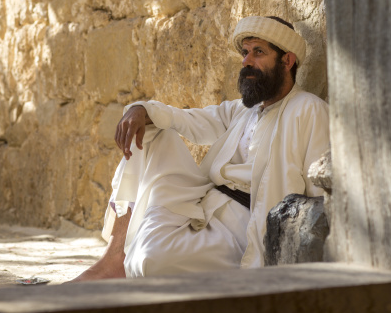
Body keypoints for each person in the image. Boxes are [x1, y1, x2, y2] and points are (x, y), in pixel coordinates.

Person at [71, 15, 330, 281]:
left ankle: (129, 260)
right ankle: (113, 258)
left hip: (245, 227)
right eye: (245, 52)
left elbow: (321, 197)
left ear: (287, 61)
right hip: (203, 205)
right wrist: (141, 110)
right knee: (150, 130)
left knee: (150, 262)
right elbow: (189, 120)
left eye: (258, 52)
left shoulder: (308, 110)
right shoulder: (243, 111)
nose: (246, 62)